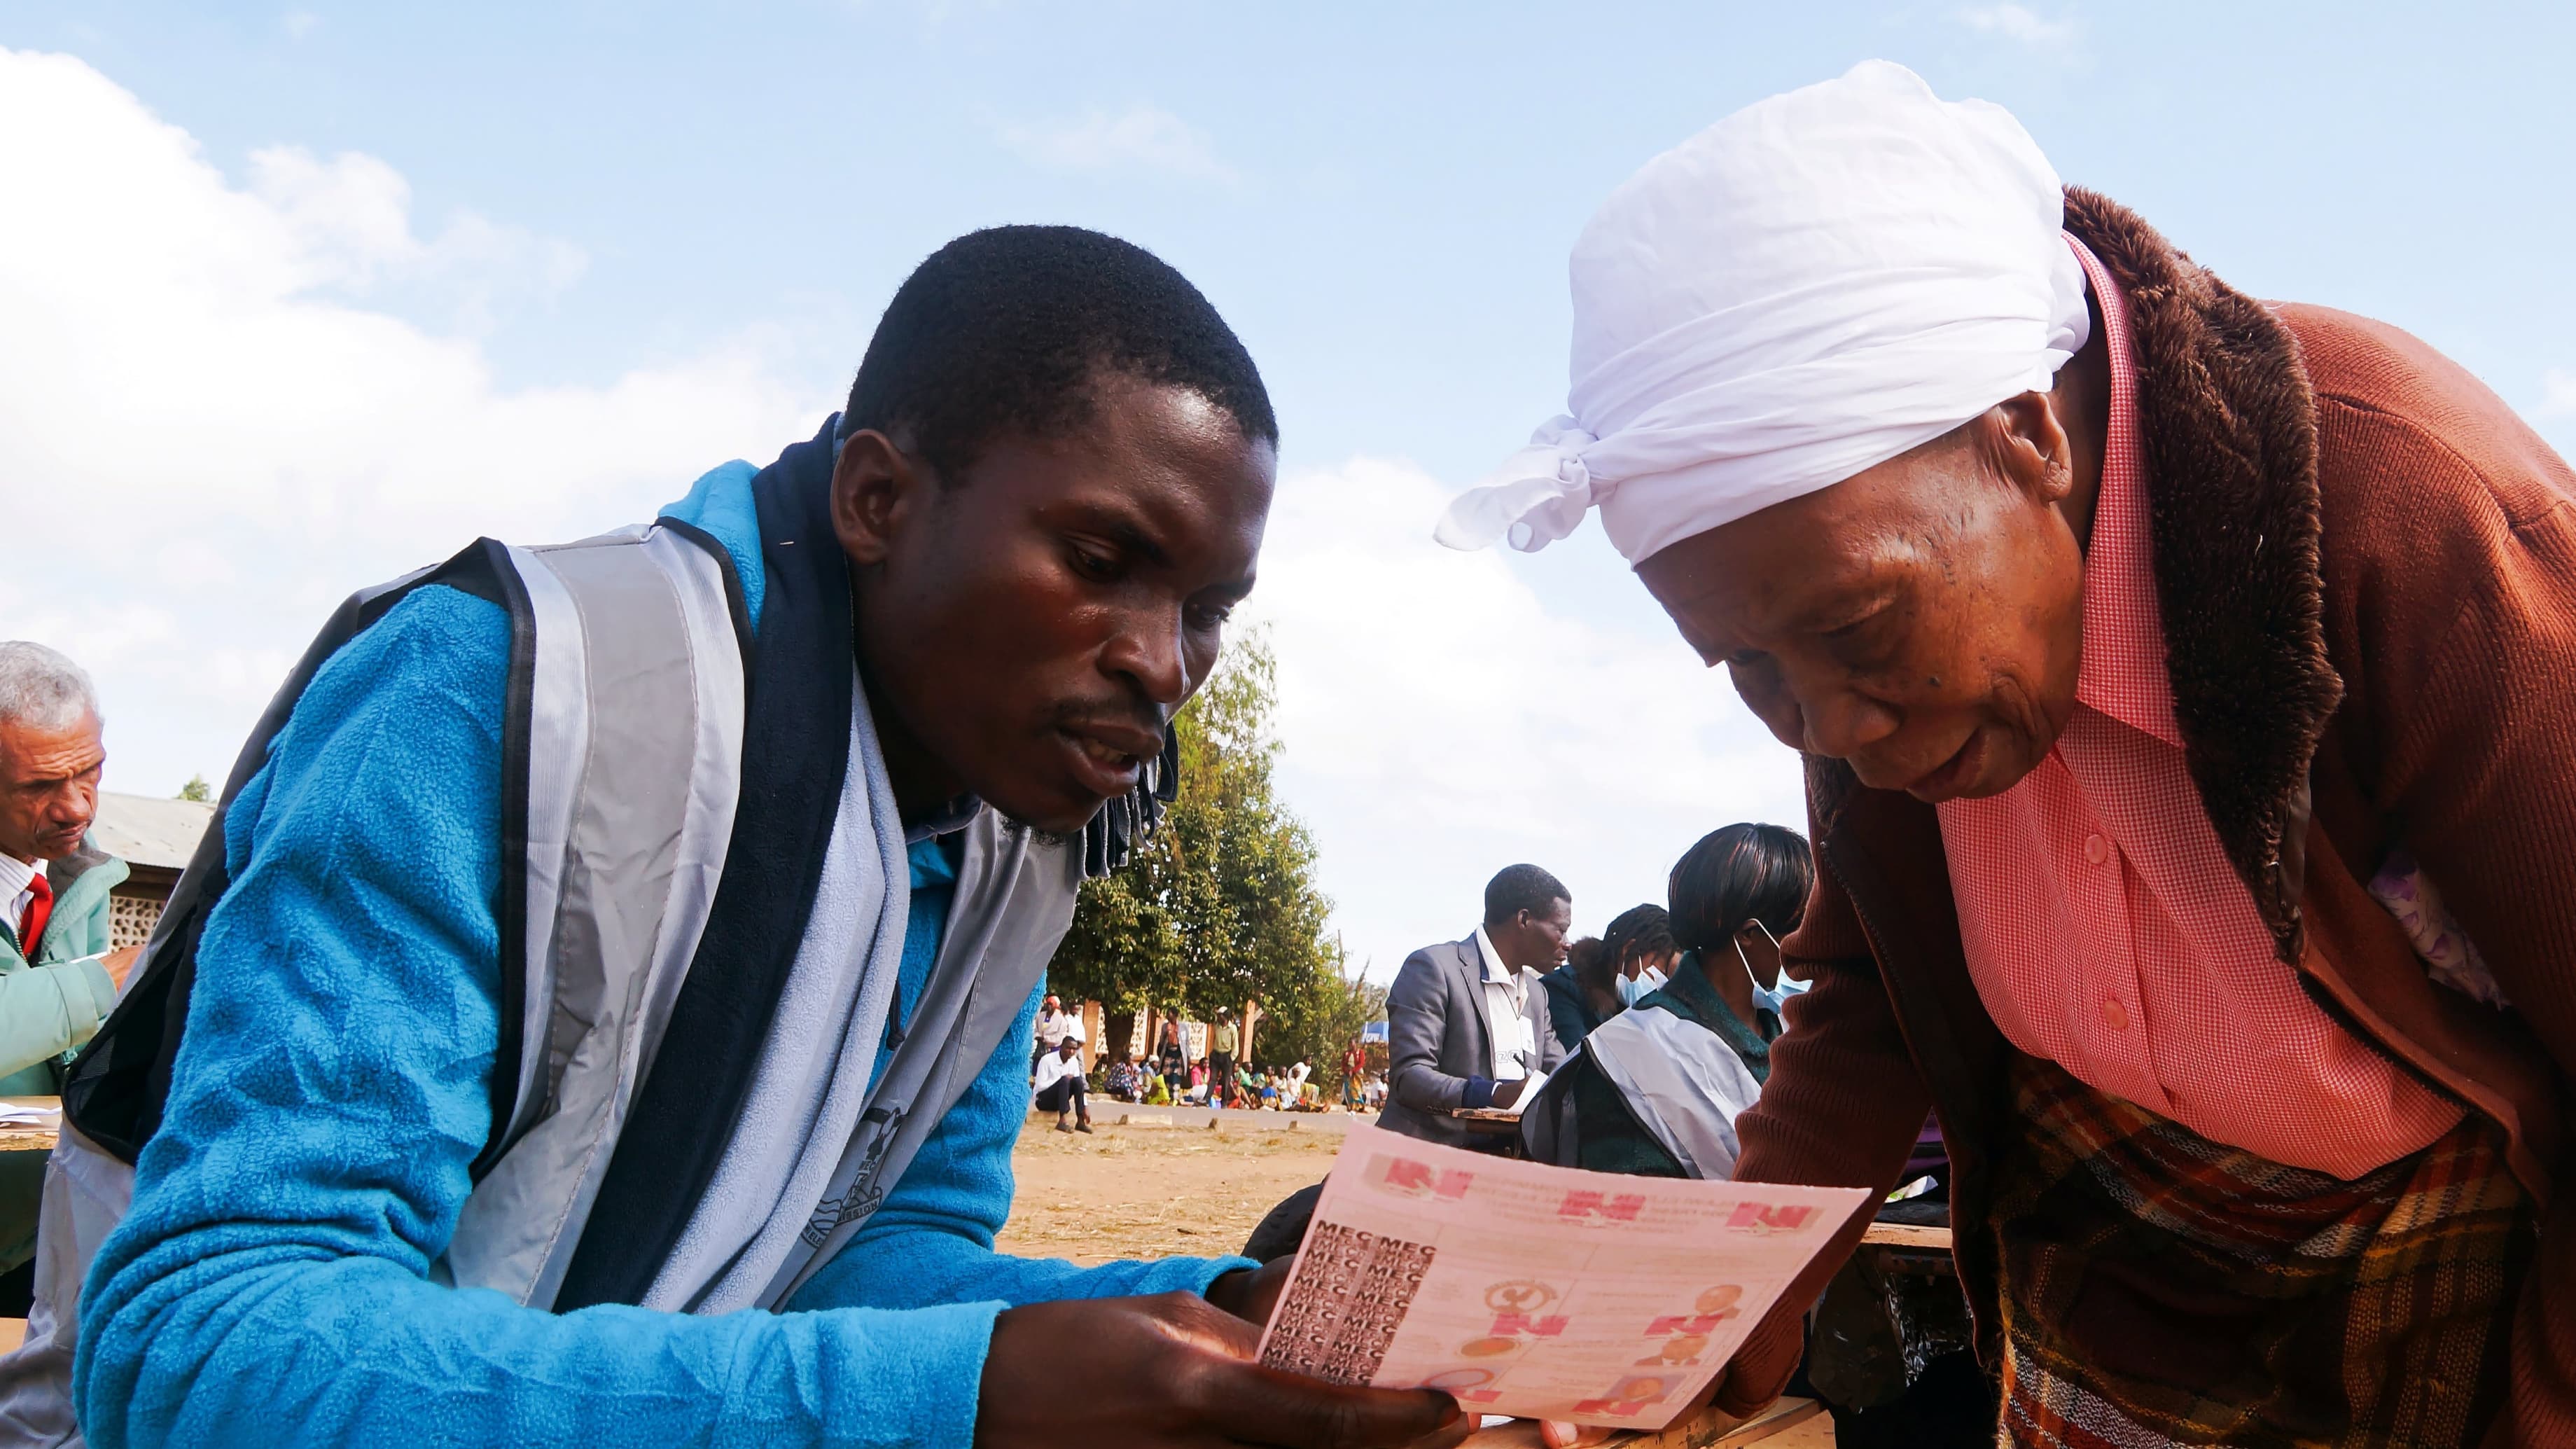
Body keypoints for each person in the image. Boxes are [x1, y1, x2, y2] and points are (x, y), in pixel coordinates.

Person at [27, 228, 1460, 1449]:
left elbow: (860, 1262)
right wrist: (947, 1398)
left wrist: (1219, 1314)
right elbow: (206, 1345)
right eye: (1100, 561)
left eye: (1209, 607)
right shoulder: (499, 692)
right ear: (878, 499)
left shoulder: (1016, 837)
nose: (1163, 660)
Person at [1442, 59, 2576, 1448]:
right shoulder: (1868, 668)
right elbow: (1873, 994)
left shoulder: (2406, 513)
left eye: (1856, 627)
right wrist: (1710, 1313)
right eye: (1750, 672)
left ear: (2027, 435)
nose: (1831, 729)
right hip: (2113, 1286)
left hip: (2460, 1283)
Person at [1522, 825, 1807, 1181]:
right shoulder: (1630, 1054)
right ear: (1750, 935)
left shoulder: (1792, 1033)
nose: (1813, 946)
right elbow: (1634, 1210)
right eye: (1802, 927)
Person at [0, 644, 143, 1315]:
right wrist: (111, 980)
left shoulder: (79, 882)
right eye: (40, 786)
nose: (76, 806)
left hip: (34, 1244)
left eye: (91, 771)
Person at [1379, 864, 1571, 1148]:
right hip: (1429, 1160)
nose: (1568, 944)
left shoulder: (1537, 994)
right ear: (1524, 920)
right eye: (1561, 930)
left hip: (1506, 1165)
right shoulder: (1435, 969)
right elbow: (1410, 1076)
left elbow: (1560, 1078)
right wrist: (1491, 1094)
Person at [1540, 905, 1675, 1051]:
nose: (1661, 984)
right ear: (1629, 951)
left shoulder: (1634, 1009)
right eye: (1660, 971)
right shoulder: (1562, 989)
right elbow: (1578, 1063)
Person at [1033, 1037, 1092, 1135]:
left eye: (1074, 1049)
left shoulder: (1074, 1062)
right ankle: (1062, 1120)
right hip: (1043, 1100)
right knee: (1065, 1080)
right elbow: (1040, 1086)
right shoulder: (1047, 1060)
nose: (1071, 1051)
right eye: (1068, 1048)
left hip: (1060, 1100)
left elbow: (1078, 1087)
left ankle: (1080, 1121)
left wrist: (1085, 1106)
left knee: (1078, 1081)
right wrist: (1061, 1079)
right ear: (1061, 1047)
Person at [1032, 993, 1076, 1079]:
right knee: (1037, 1069)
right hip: (1041, 1047)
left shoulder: (1061, 1020)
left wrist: (1047, 1039)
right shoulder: (1041, 1016)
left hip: (1053, 1048)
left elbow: (1061, 1037)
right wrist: (1039, 1036)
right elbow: (1036, 1029)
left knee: (1051, 1071)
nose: (1049, 1006)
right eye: (1047, 1004)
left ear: (1056, 1006)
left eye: (1051, 1004)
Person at [1206, 1010, 1239, 1112]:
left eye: (1220, 1016)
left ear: (1225, 1017)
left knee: (1225, 1080)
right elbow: (1213, 1039)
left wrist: (1231, 1058)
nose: (1219, 1018)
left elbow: (1235, 1045)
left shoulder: (1232, 1028)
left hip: (1226, 1056)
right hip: (1216, 1054)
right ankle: (1206, 1099)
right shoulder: (1217, 1026)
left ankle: (1224, 1102)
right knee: (1213, 1078)